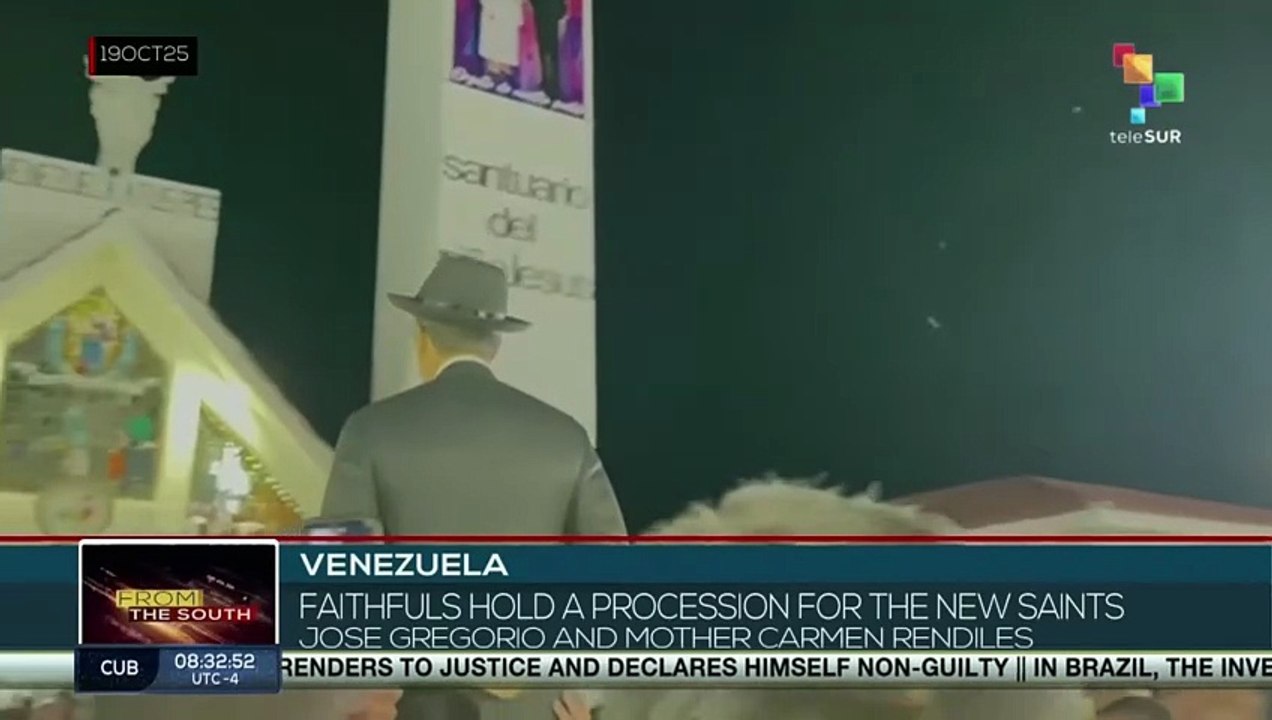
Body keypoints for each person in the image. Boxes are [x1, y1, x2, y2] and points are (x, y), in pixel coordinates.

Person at [323, 252, 626, 719]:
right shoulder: (566, 437)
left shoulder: (368, 431)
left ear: (423, 337)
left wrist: (364, 700)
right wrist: (582, 698)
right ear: (495, 345)